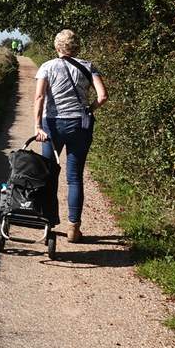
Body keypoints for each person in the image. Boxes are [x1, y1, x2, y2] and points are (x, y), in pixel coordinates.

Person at [33, 29, 108, 242]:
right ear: (77, 47)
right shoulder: (88, 66)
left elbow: (39, 97)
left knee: (50, 174)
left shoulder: (47, 66)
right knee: (74, 177)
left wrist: (37, 126)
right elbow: (103, 96)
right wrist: (89, 109)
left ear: (57, 46)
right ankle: (74, 227)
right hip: (80, 125)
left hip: (52, 125)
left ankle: (48, 223)